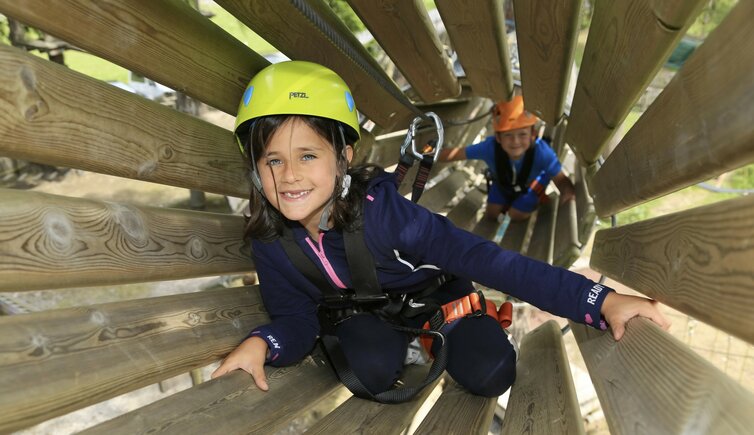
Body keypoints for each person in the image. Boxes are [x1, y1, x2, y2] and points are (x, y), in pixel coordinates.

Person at [211, 61, 669, 400]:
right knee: (368, 372)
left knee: (491, 373)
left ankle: (459, 326)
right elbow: (295, 317)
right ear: (255, 168)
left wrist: (599, 301)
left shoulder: (389, 217)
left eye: (307, 156)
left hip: (437, 299)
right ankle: (413, 346)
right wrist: (263, 343)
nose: (289, 176)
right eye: (273, 160)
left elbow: (494, 262)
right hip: (368, 312)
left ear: (344, 156)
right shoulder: (272, 242)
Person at [438, 96, 575, 221]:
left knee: (516, 215)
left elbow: (561, 180)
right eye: (508, 135)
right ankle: (506, 206)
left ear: (533, 134)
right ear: (498, 137)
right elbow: (455, 154)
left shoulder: (542, 152)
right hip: (503, 183)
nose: (515, 141)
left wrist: (567, 194)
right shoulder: (490, 147)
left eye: (522, 134)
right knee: (491, 214)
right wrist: (428, 154)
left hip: (530, 186)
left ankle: (522, 207)